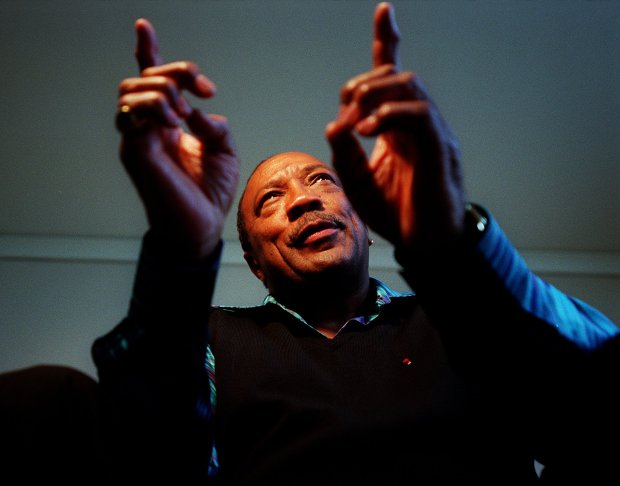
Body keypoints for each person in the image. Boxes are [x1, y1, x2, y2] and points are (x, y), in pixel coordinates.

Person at [2, 2, 617, 484]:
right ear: (255, 264)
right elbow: (155, 462)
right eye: (270, 200)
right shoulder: (213, 338)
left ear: (366, 222)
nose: (301, 199)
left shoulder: (456, 321)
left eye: (321, 180)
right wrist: (180, 247)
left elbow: (597, 396)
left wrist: (451, 244)